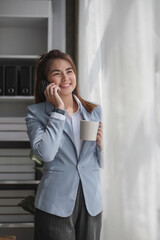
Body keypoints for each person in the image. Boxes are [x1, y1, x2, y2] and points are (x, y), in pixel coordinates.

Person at [25, 49, 103, 240]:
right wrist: (58, 111)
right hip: (54, 202)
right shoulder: (35, 113)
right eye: (56, 73)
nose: (65, 78)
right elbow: (46, 154)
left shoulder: (94, 111)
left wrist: (102, 147)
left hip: (91, 202)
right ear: (46, 82)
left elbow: (102, 163)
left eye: (69, 71)